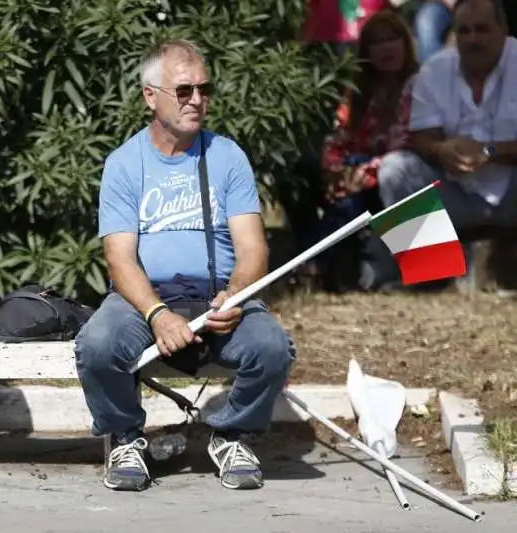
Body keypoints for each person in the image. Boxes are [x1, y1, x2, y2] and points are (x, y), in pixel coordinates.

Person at [74, 39, 296, 492]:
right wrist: (157, 314)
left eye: (204, 89)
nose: (197, 99)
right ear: (150, 95)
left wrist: (235, 292)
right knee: (97, 345)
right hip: (144, 298)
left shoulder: (228, 157)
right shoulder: (124, 164)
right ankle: (125, 437)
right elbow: (119, 260)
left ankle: (232, 434)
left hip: (219, 295)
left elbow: (253, 249)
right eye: (184, 90)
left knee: (273, 347)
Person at [377, 0, 517, 239]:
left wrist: (488, 151)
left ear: (503, 32)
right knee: (393, 170)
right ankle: (429, 272)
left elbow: (487, 151)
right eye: (464, 30)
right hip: (455, 192)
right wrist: (441, 149)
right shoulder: (434, 71)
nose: (473, 39)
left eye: (482, 29)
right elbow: (421, 137)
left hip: (511, 194)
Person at [318, 9, 420, 290]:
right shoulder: (357, 91)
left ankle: (324, 266)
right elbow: (336, 141)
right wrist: (339, 172)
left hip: (401, 182)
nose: (386, 47)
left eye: (392, 39)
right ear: (366, 51)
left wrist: (363, 172)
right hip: (359, 184)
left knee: (361, 180)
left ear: (405, 43)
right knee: (344, 190)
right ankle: (333, 268)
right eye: (377, 42)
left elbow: (409, 144)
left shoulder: (420, 84)